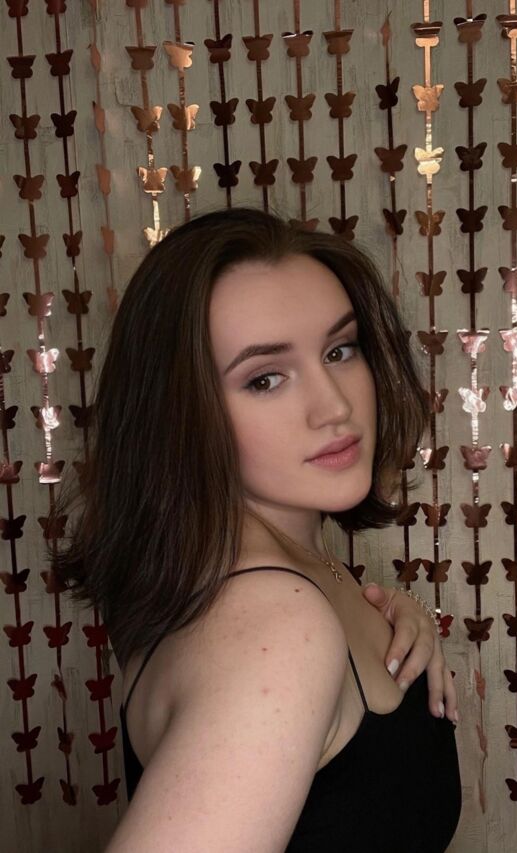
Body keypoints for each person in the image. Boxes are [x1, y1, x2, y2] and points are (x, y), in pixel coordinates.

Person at [52, 208, 461, 851]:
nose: (335, 406)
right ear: (180, 414)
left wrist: (387, 630)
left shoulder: (274, 582)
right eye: (265, 378)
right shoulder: (278, 620)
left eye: (340, 350)